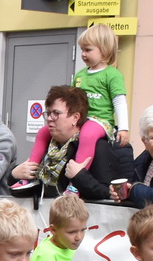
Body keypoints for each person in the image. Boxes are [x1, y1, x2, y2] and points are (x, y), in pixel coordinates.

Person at [24, 27, 128, 174]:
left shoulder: (112, 75)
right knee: (43, 132)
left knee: (87, 134)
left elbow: (119, 101)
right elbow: (70, 100)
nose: (83, 54)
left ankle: (77, 176)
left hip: (100, 121)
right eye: (81, 50)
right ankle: (30, 171)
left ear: (104, 50)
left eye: (88, 50)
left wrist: (123, 128)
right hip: (81, 119)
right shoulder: (80, 75)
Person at [11, 87, 128, 203]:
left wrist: (79, 177)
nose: (50, 119)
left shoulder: (99, 147)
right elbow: (28, 191)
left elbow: (108, 194)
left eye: (56, 113)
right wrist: (13, 176)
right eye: (48, 113)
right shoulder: (48, 146)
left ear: (75, 118)